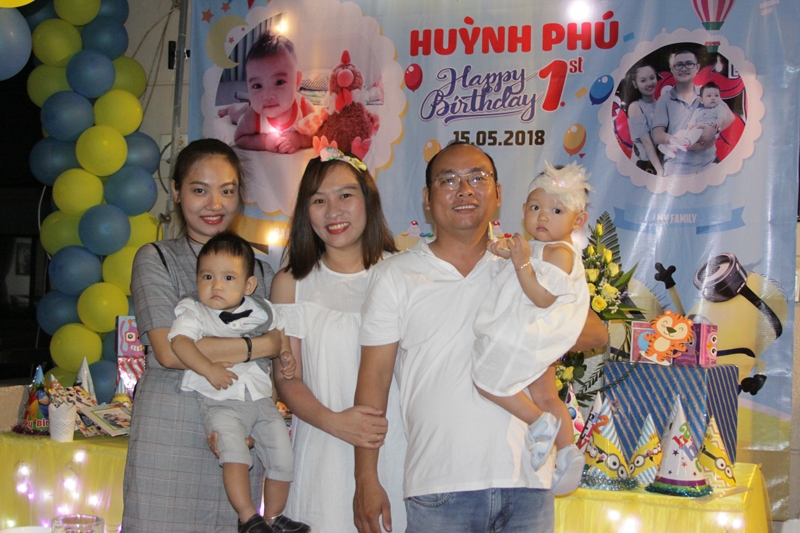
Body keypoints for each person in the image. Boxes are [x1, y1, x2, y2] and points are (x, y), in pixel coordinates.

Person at [353, 142, 607, 533]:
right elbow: (373, 381)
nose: (465, 190)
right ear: (427, 198)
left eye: (478, 178)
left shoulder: (523, 263)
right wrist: (365, 478)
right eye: (448, 180)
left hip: (527, 483)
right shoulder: (395, 275)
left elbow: (595, 333)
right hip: (439, 486)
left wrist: (530, 285)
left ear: (499, 194)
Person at [123, 138, 284, 533]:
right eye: (200, 190)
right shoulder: (156, 258)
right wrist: (257, 345)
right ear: (176, 191)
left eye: (227, 191)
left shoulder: (260, 273)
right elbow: (169, 351)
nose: (215, 204)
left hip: (238, 436)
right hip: (170, 434)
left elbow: (273, 365)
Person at [271, 147, 407, 532]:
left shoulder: (404, 273)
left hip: (394, 449)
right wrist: (336, 423)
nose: (333, 211)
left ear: (368, 199)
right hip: (322, 450)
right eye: (319, 200)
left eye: (345, 195)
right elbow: (286, 378)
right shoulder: (291, 283)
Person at [167, 231, 309, 533]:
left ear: (248, 285)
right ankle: (248, 517)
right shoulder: (194, 310)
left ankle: (274, 517)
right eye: (207, 277)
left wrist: (285, 355)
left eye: (228, 278)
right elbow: (179, 343)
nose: (216, 285)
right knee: (235, 455)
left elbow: (277, 331)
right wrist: (207, 368)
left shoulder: (261, 308)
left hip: (261, 399)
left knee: (283, 456)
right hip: (221, 401)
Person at [471, 162, 591, 497]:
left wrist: (521, 263)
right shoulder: (540, 246)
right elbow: (521, 261)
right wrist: (505, 252)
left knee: (487, 379)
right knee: (547, 395)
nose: (543, 217)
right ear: (523, 208)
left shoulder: (560, 253)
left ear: (578, 221)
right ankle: (567, 451)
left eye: (556, 211)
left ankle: (539, 422)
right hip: (537, 336)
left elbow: (542, 297)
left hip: (529, 332)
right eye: (535, 208)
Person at [218, 30, 316, 153]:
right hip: (249, 110)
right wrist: (264, 141)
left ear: (297, 81)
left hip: (256, 106)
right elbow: (239, 138)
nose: (267, 96)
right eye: (257, 86)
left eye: (279, 82)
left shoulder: (304, 108)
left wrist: (299, 139)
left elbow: (318, 133)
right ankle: (229, 109)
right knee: (236, 115)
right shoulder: (252, 116)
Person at [651, 50, 734, 176]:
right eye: (679, 65)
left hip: (708, 163)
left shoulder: (706, 93)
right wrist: (684, 143)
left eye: (689, 64)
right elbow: (657, 136)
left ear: (697, 68)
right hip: (676, 167)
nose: (684, 68)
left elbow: (729, 117)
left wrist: (713, 131)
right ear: (672, 69)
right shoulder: (664, 100)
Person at [658, 82, 729, 160]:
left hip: (707, 130)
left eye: (716, 95)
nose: (713, 98)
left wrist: (719, 120)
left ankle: (685, 143)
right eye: (709, 96)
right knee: (682, 132)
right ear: (701, 100)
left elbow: (722, 114)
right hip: (695, 130)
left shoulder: (718, 108)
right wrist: (691, 124)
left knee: (697, 131)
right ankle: (672, 147)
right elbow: (693, 120)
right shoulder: (699, 110)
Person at [625, 62, 663, 175]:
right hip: (644, 165)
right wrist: (660, 170)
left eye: (652, 78)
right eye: (643, 80)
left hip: (662, 162)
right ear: (635, 84)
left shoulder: (660, 104)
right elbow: (646, 142)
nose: (649, 83)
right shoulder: (635, 107)